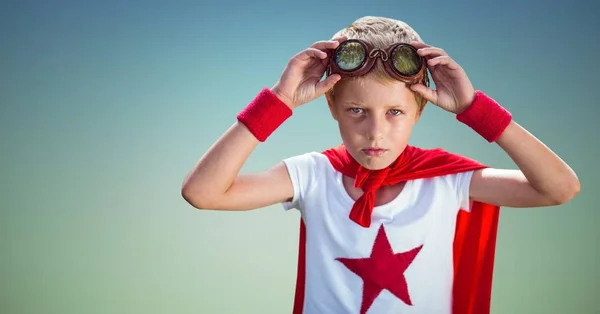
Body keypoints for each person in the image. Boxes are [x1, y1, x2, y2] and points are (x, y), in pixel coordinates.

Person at [181, 16, 580, 314]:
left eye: (394, 111)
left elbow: (559, 188)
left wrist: (475, 110)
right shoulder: (313, 174)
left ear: (421, 109)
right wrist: (278, 102)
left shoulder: (448, 181)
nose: (376, 133)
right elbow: (203, 192)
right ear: (331, 105)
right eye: (357, 110)